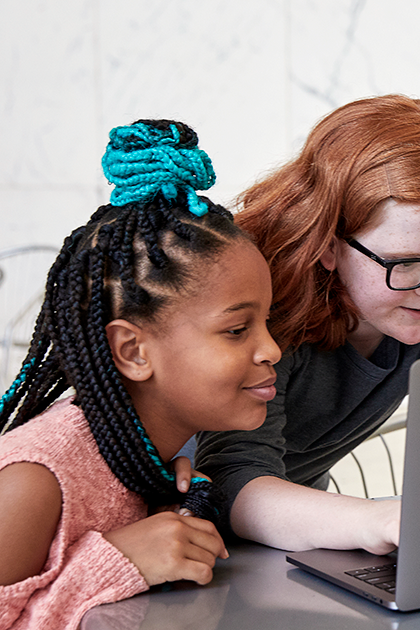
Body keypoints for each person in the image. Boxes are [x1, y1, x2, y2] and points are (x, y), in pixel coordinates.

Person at [0, 120, 280, 628]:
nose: (272, 349)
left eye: (267, 321)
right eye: (238, 330)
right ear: (132, 350)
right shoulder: (34, 482)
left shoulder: (149, 454)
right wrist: (115, 561)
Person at [196, 95, 420, 553]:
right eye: (405, 264)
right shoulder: (261, 316)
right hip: (185, 536)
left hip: (293, 540)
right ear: (327, 245)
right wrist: (376, 519)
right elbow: (232, 480)